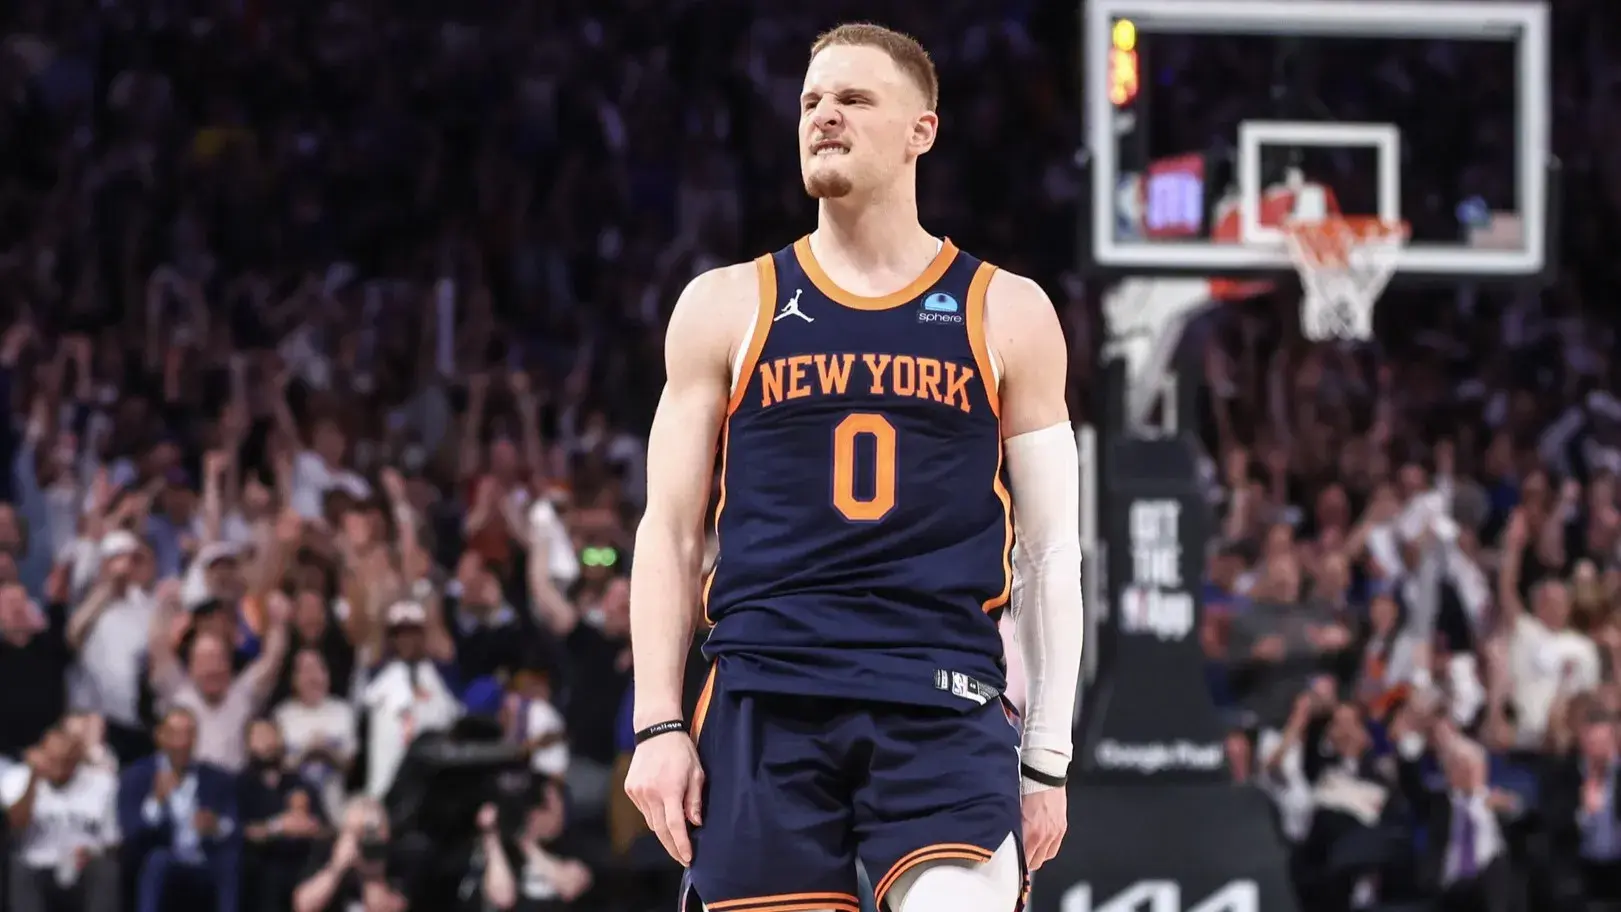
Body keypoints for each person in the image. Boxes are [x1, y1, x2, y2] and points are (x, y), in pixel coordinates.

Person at [622, 22, 1085, 912]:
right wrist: (658, 723)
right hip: (764, 697)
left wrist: (1047, 760)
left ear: (922, 130)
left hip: (941, 700)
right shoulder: (726, 303)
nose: (824, 116)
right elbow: (670, 533)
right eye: (810, 101)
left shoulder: (1007, 311)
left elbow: (1049, 553)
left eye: (854, 99)